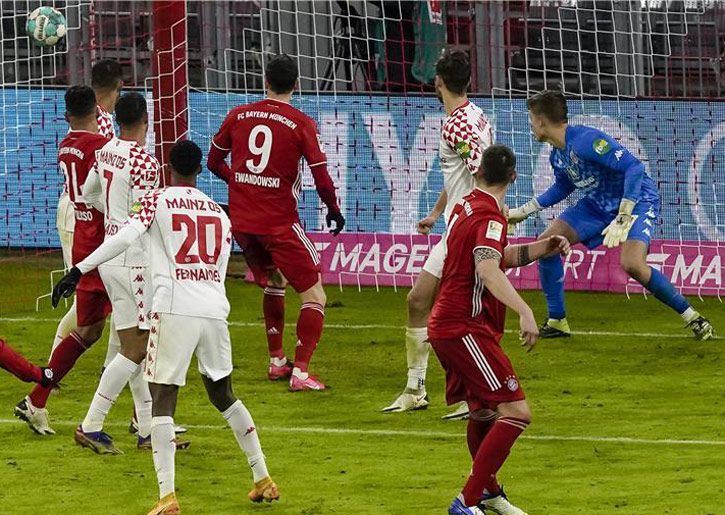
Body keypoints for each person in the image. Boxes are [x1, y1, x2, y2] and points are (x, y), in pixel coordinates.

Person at [53, 140, 278, 515]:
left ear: (167, 168)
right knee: (224, 395)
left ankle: (167, 497)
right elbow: (220, 267)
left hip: (174, 308)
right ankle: (263, 477)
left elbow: (125, 236)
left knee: (162, 399)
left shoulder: (155, 200)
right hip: (214, 309)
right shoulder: (218, 213)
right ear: (200, 171)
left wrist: (79, 269)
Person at [429, 145, 570, 515]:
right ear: (514, 177)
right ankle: (466, 501)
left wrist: (542, 248)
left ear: (477, 172)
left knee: (483, 413)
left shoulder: (465, 205)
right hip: (464, 327)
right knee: (517, 412)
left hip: (447, 324)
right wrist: (524, 310)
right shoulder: (491, 216)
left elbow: (495, 256)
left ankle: (489, 493)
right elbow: (488, 269)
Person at [508, 90, 714, 340]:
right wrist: (524, 211)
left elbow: (634, 167)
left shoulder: (586, 140)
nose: (530, 126)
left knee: (633, 265)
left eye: (531, 119)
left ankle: (693, 317)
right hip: (597, 204)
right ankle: (557, 321)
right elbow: (564, 186)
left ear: (541, 121)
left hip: (636, 200)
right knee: (546, 245)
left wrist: (624, 214)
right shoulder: (557, 154)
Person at [207, 54, 345, 391]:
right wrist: (333, 208)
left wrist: (239, 184)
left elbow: (213, 161)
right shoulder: (301, 123)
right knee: (315, 294)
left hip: (242, 221)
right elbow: (321, 177)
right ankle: (301, 373)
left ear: (265, 82)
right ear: (296, 84)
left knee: (275, 279)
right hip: (278, 223)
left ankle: (277, 361)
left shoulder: (238, 115)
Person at [381, 49, 493, 419]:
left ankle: (473, 394)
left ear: (438, 82)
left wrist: (481, 221)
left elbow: (481, 175)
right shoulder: (475, 116)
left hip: (467, 231)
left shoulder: (456, 125)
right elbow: (463, 173)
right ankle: (416, 390)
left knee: (450, 316)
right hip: (456, 226)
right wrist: (435, 212)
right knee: (419, 302)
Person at [14, 85, 112, 435]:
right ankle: (146, 422)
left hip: (85, 244)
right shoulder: (102, 149)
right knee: (135, 329)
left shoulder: (66, 146)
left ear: (67, 115)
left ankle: (37, 399)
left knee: (90, 329)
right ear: (97, 112)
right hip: (107, 246)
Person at [72, 92, 165, 454]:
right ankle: (92, 424)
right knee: (137, 347)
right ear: (144, 120)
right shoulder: (145, 162)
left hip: (109, 255)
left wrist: (113, 216)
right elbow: (144, 218)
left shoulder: (105, 150)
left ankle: (146, 429)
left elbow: (87, 193)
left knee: (128, 344)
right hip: (133, 260)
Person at [52, 60, 121, 355]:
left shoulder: (82, 128)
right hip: (83, 213)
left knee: (115, 295)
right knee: (88, 297)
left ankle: (112, 364)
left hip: (83, 209)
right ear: (119, 87)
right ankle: (52, 367)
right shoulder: (100, 125)